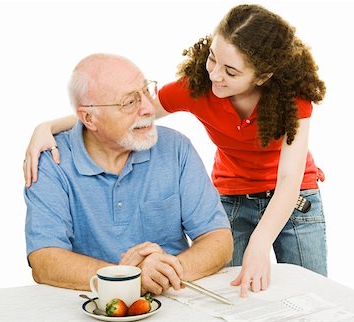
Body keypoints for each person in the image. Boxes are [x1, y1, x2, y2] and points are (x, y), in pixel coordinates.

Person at [24, 4, 327, 297]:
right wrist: (48, 127)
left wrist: (259, 244)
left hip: (294, 197)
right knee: (234, 294)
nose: (215, 75)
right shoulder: (197, 88)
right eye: (212, 59)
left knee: (313, 294)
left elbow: (289, 179)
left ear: (262, 76)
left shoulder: (292, 99)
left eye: (231, 71)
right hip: (234, 194)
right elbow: (132, 115)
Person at [24, 53, 233, 295]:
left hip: (173, 297)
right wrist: (128, 279)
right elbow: (44, 260)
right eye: (129, 102)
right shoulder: (51, 162)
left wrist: (160, 274)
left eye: (146, 91)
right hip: (92, 303)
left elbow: (219, 239)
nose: (147, 108)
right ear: (89, 118)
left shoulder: (176, 148)